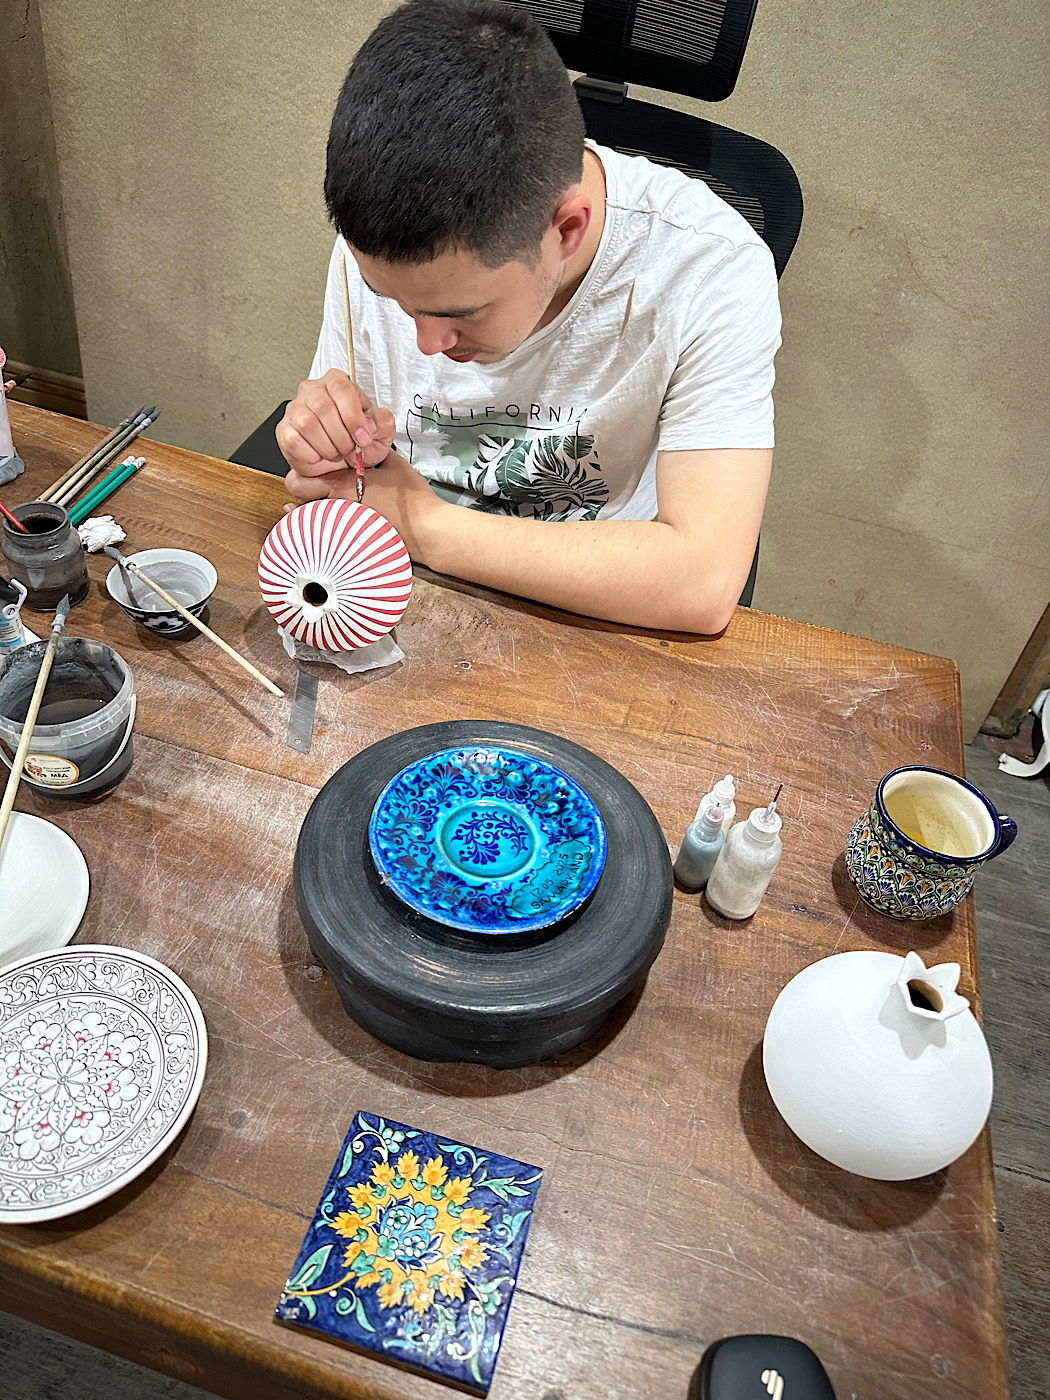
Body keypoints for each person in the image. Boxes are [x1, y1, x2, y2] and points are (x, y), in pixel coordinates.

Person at [276, 0, 781, 634]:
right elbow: (356, 462)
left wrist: (424, 526)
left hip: (597, 608)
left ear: (567, 230)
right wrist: (325, 439)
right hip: (403, 584)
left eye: (462, 313)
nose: (425, 342)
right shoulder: (387, 238)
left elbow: (700, 582)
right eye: (391, 299)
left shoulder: (710, 268)